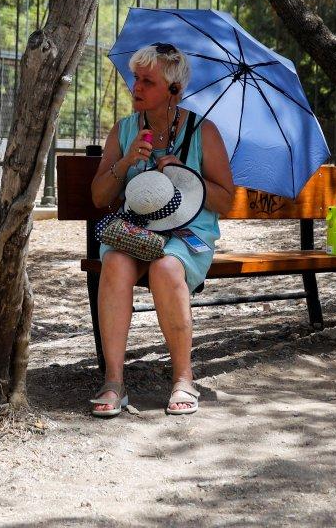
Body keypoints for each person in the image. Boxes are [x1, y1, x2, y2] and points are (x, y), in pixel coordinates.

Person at [89, 42, 234, 416]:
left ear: (173, 90)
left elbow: (226, 201)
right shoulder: (124, 131)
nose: (136, 87)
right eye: (135, 78)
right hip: (135, 231)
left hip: (187, 236)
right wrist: (124, 163)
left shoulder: (204, 132)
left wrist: (187, 176)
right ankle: (114, 381)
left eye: (147, 81)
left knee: (166, 266)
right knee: (117, 263)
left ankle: (183, 378)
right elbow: (98, 195)